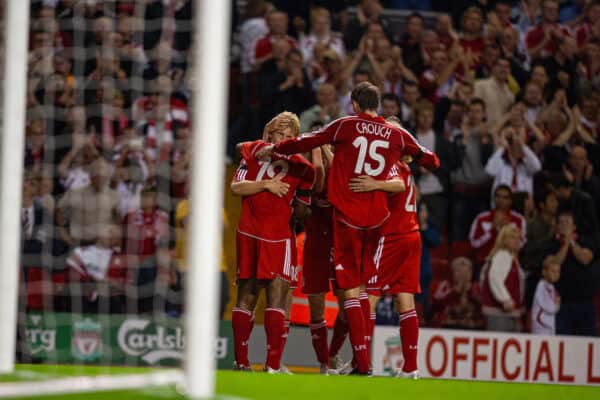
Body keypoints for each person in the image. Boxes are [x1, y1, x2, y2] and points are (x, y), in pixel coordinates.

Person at [256, 82, 440, 375]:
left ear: (354, 104)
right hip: (378, 224)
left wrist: (275, 147)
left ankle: (362, 364)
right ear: (377, 104)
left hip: (347, 220)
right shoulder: (396, 134)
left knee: (351, 291)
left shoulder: (345, 125)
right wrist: (413, 157)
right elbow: (432, 159)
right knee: (369, 290)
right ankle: (387, 366)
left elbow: (305, 142)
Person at [230, 112, 315, 373]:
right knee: (248, 296)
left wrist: (302, 201)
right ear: (271, 133)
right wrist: (267, 184)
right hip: (252, 232)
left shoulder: (303, 167)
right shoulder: (255, 150)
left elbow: (303, 214)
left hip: (278, 235)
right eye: (280, 134)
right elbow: (236, 188)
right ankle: (242, 362)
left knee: (276, 299)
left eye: (290, 136)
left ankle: (272, 365)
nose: (284, 139)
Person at [351, 149, 422, 379]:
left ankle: (361, 363)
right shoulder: (407, 167)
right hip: (412, 234)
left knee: (369, 294)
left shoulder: (393, 165)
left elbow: (398, 185)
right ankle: (410, 367)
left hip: (393, 236)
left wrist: (373, 183)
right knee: (405, 299)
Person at [550, 211, 596, 336]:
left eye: (567, 222)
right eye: (561, 223)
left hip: (584, 301)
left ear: (574, 226)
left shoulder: (585, 241)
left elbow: (584, 259)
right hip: (562, 303)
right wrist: (565, 244)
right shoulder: (552, 244)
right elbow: (555, 263)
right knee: (563, 340)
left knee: (588, 340)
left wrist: (572, 242)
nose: (563, 226)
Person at [480, 224, 525, 332]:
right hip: (500, 313)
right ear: (504, 240)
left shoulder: (510, 257)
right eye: (512, 237)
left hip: (507, 313)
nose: (516, 240)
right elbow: (494, 277)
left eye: (518, 238)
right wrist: (505, 299)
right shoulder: (503, 255)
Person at [469, 185, 526, 267]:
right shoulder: (481, 218)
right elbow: (474, 243)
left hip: (509, 262)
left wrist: (505, 231)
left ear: (510, 201)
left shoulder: (519, 220)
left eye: (505, 198)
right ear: (493, 199)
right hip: (485, 262)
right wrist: (492, 229)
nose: (501, 200)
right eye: (498, 196)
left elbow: (522, 243)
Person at [531, 255, 561, 335]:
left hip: (549, 326)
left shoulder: (551, 287)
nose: (556, 274)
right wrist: (557, 306)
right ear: (544, 272)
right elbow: (549, 307)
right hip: (541, 326)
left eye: (558, 271)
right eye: (553, 271)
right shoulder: (541, 286)